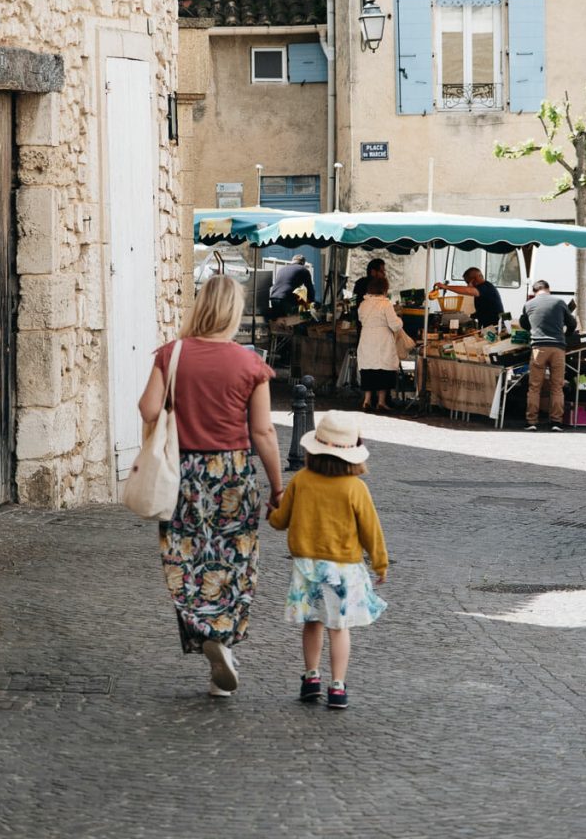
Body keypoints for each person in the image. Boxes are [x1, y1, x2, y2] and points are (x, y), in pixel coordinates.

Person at [139, 275, 284, 698]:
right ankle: (221, 635)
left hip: (182, 474)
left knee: (185, 560)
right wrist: (277, 488)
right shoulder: (250, 364)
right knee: (234, 563)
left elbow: (148, 407)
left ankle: (205, 634)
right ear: (234, 312)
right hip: (232, 477)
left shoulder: (173, 353)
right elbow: (264, 433)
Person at [268, 410, 388, 710]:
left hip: (306, 566)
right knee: (339, 627)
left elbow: (279, 521)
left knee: (312, 623)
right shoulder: (355, 487)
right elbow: (370, 529)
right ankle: (337, 686)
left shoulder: (301, 480)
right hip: (343, 568)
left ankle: (311, 678)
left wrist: (273, 508)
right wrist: (380, 563)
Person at [519, 279, 577, 432]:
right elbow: (572, 323)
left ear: (534, 291)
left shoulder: (529, 304)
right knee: (557, 387)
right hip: (558, 348)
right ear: (548, 289)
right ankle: (556, 422)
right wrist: (567, 335)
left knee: (534, 387)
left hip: (538, 348)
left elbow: (524, 324)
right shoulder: (559, 302)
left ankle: (531, 421)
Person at [357, 276, 403, 411]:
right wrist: (400, 320)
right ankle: (381, 402)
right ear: (384, 289)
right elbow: (395, 325)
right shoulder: (386, 304)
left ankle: (367, 400)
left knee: (368, 368)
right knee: (383, 368)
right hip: (382, 339)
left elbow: (361, 319)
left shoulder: (363, 304)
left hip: (366, 338)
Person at [434, 267, 504, 328]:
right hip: (490, 325)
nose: (467, 285)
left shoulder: (485, 287)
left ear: (473, 280)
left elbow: (468, 291)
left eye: (467, 282)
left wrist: (445, 287)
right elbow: (484, 308)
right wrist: (467, 317)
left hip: (495, 327)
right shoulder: (486, 287)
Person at [268, 254, 315, 319]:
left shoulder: (282, 269)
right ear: (303, 263)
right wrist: (311, 304)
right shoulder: (303, 270)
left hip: (274, 298)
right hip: (286, 299)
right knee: (292, 321)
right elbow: (310, 288)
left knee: (279, 322)